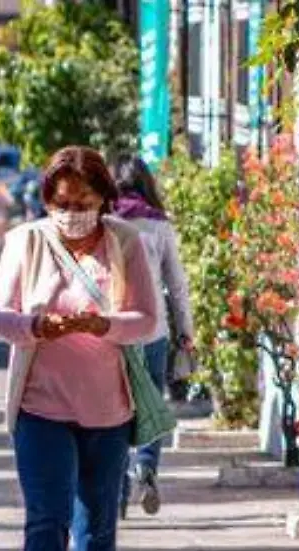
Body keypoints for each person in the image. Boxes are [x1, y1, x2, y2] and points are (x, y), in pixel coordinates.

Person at [0, 146, 159, 551]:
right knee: (47, 515)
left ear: (104, 198)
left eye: (83, 201)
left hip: (109, 409)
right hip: (41, 407)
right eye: (62, 201)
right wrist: (36, 326)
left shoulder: (126, 242)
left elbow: (148, 320)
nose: (72, 211)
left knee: (98, 518)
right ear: (47, 200)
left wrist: (103, 324)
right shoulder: (25, 241)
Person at [112, 155, 195, 518]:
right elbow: (177, 285)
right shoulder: (160, 225)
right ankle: (146, 466)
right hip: (154, 330)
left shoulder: (106, 223)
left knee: (114, 410)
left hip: (113, 332)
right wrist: (186, 331)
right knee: (151, 405)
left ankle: (116, 489)